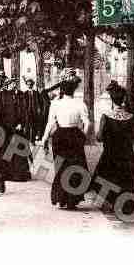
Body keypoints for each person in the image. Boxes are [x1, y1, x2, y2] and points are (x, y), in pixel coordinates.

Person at [39, 68, 90, 210]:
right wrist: (83, 136)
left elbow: (50, 123)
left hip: (60, 136)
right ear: (74, 90)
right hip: (74, 136)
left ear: (62, 90)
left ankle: (61, 198)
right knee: (75, 167)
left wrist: (44, 139)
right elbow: (87, 122)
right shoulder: (80, 103)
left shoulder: (56, 104)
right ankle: (72, 199)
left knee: (61, 167)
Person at [90, 81, 134, 213]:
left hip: (111, 154)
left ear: (112, 99)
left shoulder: (106, 117)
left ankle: (111, 202)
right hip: (126, 155)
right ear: (123, 99)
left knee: (107, 177)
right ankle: (126, 205)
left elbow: (99, 137)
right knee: (125, 179)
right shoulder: (130, 117)